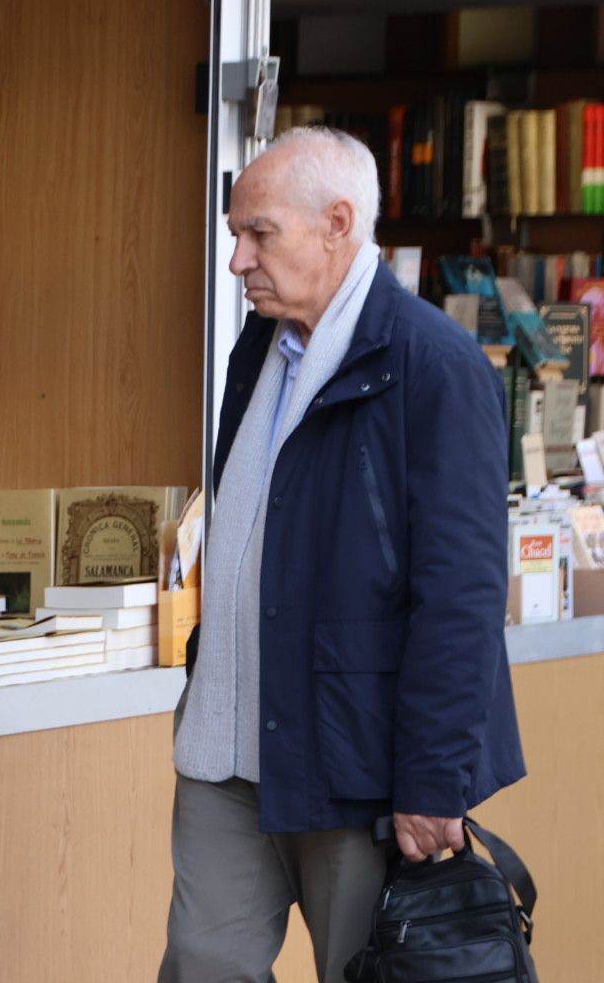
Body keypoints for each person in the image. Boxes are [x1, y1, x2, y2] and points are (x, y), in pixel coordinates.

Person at [159, 126, 525, 982]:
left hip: (355, 766)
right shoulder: (259, 346)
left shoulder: (436, 366)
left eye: (259, 234)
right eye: (235, 234)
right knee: (201, 965)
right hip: (227, 754)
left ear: (337, 223)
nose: (237, 259)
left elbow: (462, 595)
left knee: (366, 970)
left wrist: (433, 781)